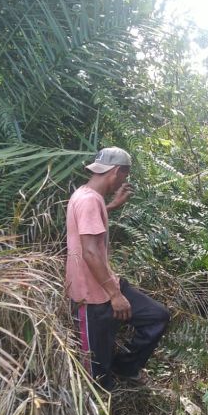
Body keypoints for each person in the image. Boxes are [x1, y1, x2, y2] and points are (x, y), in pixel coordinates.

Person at [65, 147, 170, 388]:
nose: (124, 180)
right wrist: (115, 295)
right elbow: (90, 252)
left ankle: (125, 366)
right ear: (117, 171)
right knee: (97, 375)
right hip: (91, 297)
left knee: (157, 316)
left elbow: (88, 225)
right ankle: (98, 413)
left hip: (106, 284)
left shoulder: (85, 195)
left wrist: (112, 206)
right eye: (125, 175)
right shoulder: (90, 200)